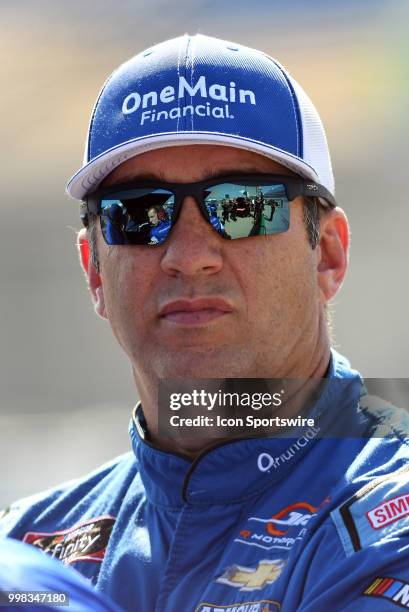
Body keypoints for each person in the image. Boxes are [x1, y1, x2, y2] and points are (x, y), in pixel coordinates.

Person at [1, 33, 409, 612]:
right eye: (139, 214)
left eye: (244, 206)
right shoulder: (29, 541)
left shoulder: (393, 509)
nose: (189, 254)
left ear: (328, 255)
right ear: (94, 272)